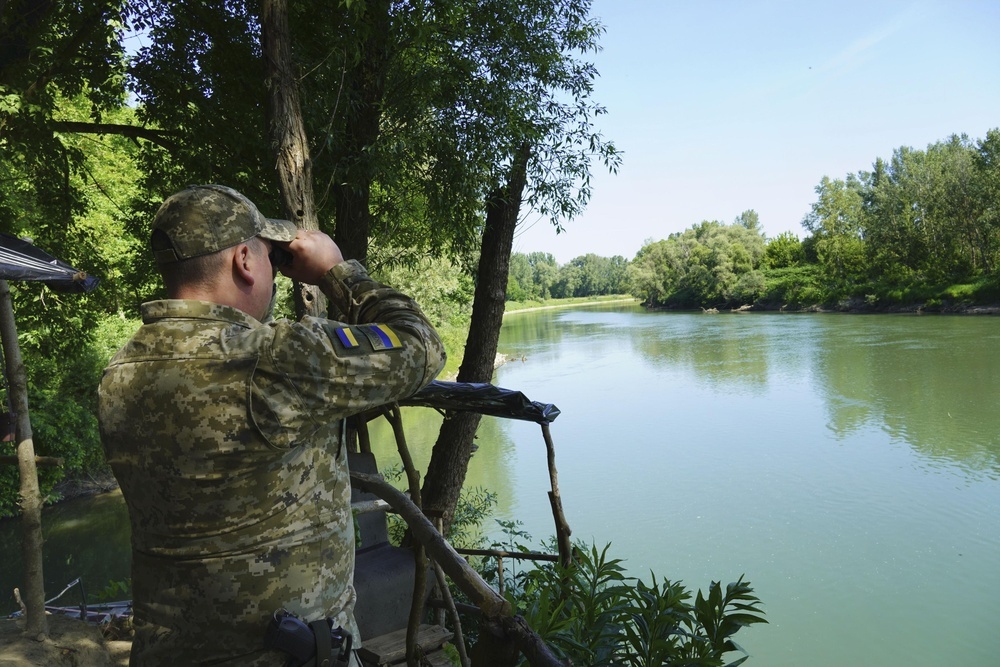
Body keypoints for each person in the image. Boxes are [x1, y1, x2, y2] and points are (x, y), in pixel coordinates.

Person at [98, 184, 445, 666]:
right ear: (243, 259)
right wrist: (336, 272)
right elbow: (421, 345)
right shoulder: (269, 361)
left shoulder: (122, 371)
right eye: (270, 259)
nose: (276, 277)